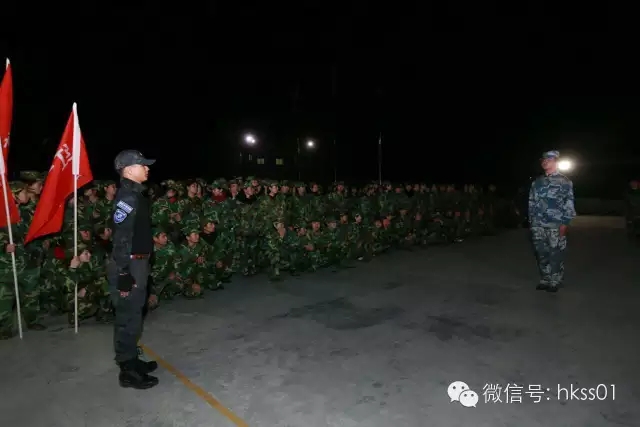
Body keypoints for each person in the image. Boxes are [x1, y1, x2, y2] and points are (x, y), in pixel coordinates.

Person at [108, 150, 159, 389]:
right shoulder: (127, 198)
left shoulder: (136, 194)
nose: (147, 168)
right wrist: (123, 272)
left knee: (135, 316)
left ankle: (132, 360)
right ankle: (127, 371)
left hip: (138, 262)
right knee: (127, 318)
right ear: (128, 170)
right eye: (142, 165)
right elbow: (121, 238)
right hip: (129, 263)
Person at [528, 150, 576, 293]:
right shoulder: (537, 182)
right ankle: (545, 278)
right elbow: (531, 202)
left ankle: (555, 280)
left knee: (555, 253)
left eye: (548, 160)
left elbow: (569, 203)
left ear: (556, 162)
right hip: (538, 224)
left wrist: (565, 223)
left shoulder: (564, 181)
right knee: (541, 253)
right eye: (543, 160)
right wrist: (531, 221)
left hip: (555, 223)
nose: (544, 162)